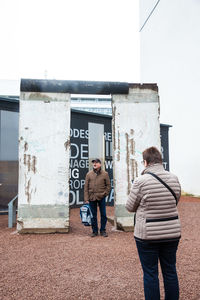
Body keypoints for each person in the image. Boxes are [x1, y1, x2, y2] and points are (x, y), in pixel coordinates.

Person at [126, 146, 181, 300]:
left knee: (150, 273)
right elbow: (176, 200)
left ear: (145, 162)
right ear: (160, 160)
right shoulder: (174, 178)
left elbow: (130, 207)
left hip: (147, 235)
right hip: (171, 232)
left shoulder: (140, 181)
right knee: (170, 271)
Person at [84, 158, 111, 237]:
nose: (94, 164)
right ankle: (94, 231)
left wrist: (105, 194)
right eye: (93, 163)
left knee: (103, 214)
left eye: (96, 163)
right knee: (93, 215)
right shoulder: (89, 174)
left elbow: (108, 186)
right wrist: (86, 198)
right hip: (92, 197)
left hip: (101, 197)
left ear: (100, 164)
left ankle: (103, 230)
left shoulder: (105, 174)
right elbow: (86, 187)